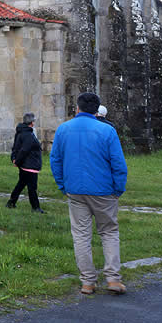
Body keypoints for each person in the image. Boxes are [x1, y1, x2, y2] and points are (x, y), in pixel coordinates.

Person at [51, 92, 128, 295]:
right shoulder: (107, 131)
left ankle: (87, 282)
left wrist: (63, 185)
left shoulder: (63, 129)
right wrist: (118, 188)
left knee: (81, 235)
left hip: (75, 190)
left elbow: (55, 161)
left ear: (77, 108)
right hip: (104, 190)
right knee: (109, 232)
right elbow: (118, 164)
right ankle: (112, 278)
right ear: (97, 110)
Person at [7, 112, 44, 213]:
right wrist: (17, 161)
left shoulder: (21, 132)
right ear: (31, 123)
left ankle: (11, 202)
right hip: (29, 165)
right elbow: (24, 150)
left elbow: (16, 147)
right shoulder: (28, 134)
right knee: (32, 187)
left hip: (26, 164)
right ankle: (35, 207)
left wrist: (15, 159)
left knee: (21, 184)